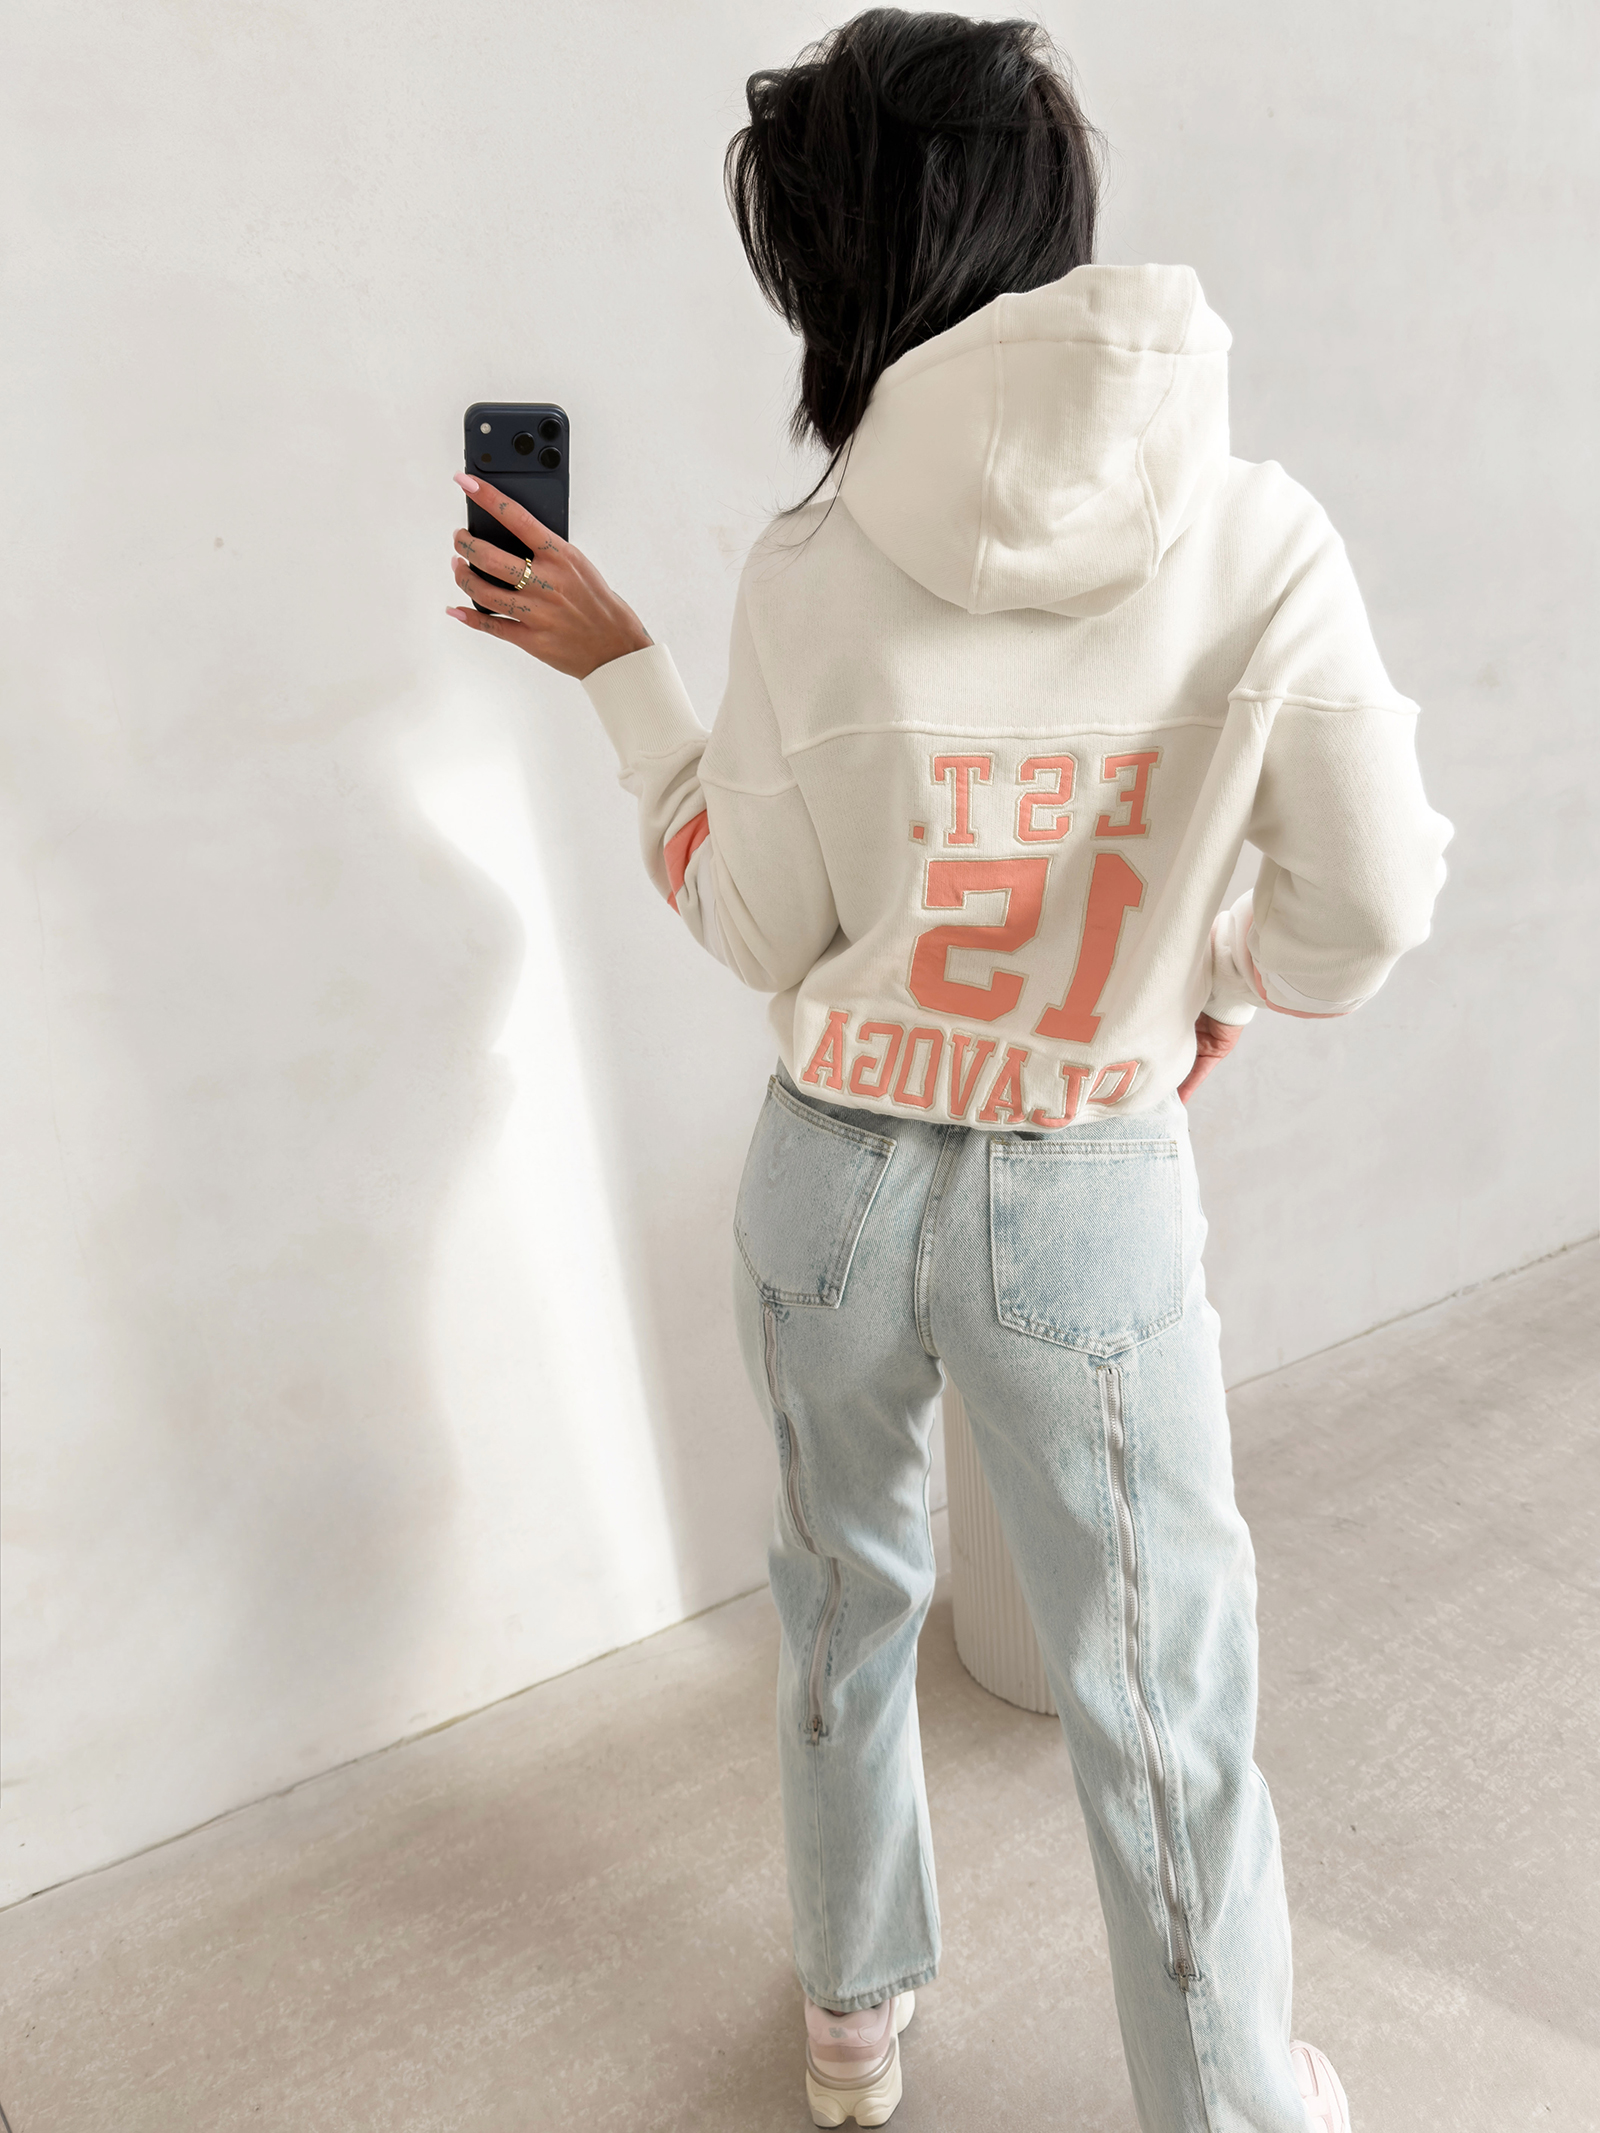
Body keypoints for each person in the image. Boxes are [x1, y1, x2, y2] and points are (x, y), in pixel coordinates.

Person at [445, 13, 1450, 2129]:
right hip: (1082, 1181)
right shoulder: (1258, 540)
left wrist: (624, 675)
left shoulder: (808, 567)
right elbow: (1363, 906)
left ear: (854, 270)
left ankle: (850, 2012)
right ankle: (1231, 2100)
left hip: (827, 1177)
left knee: (837, 1597)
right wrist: (1215, 981)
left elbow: (754, 922)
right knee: (1158, 1676)